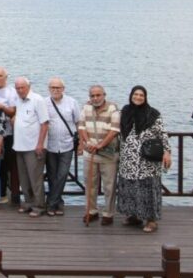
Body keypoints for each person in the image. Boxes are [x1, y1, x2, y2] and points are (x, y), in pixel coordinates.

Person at [117, 86, 172, 233]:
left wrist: (167, 152)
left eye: (141, 95)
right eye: (135, 94)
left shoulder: (153, 114)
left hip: (147, 159)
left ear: (145, 97)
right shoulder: (125, 112)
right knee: (130, 187)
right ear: (131, 96)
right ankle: (134, 215)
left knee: (148, 188)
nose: (138, 97)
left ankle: (151, 220)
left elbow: (163, 134)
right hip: (128, 158)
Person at [78, 84, 120, 226]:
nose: (95, 98)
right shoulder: (86, 108)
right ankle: (91, 211)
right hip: (90, 153)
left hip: (107, 154)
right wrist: (87, 142)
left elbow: (114, 130)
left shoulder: (113, 108)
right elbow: (81, 126)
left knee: (109, 186)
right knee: (90, 184)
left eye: (98, 95)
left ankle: (108, 213)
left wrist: (101, 145)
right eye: (92, 96)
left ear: (104, 95)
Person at [13, 77, 49, 217]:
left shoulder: (37, 100)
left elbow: (44, 124)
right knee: (24, 178)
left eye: (22, 87)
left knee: (36, 178)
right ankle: (28, 202)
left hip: (33, 147)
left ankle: (39, 206)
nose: (20, 90)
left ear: (29, 87)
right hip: (19, 146)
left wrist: (40, 144)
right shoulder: (18, 100)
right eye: (17, 88)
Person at [44, 77, 81, 216]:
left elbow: (78, 122)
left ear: (63, 89)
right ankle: (58, 203)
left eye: (58, 88)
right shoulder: (44, 102)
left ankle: (51, 204)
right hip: (50, 145)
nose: (55, 90)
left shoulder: (72, 102)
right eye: (52, 87)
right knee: (52, 176)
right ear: (49, 89)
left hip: (67, 144)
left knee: (62, 175)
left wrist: (81, 143)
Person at [0, 67, 20, 204]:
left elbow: (13, 112)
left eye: (0, 75)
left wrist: (2, 107)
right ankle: (0, 193)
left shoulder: (11, 92)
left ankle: (14, 194)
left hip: (9, 134)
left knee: (10, 165)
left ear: (6, 76)